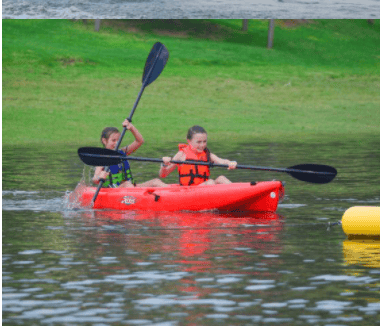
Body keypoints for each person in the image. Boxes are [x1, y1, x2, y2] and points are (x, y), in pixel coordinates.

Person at [93, 119, 167, 188]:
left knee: (156, 181)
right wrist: (100, 177)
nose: (116, 143)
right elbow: (95, 179)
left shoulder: (122, 152)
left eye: (118, 140)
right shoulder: (102, 159)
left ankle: (174, 194)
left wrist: (131, 128)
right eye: (113, 140)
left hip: (131, 187)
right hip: (113, 191)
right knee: (127, 184)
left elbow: (139, 141)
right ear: (104, 141)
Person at [159, 125, 237, 186]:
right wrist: (164, 165)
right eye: (199, 142)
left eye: (204, 141)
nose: (202, 145)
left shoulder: (207, 154)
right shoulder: (181, 154)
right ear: (189, 141)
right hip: (188, 191)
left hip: (204, 188)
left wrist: (231, 163)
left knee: (221, 178)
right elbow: (163, 175)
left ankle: (238, 196)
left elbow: (222, 161)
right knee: (210, 182)